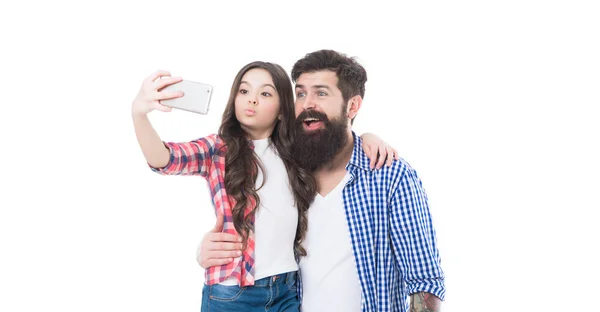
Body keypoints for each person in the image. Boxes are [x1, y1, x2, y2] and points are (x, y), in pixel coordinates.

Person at [131, 61, 397, 312]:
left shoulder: (297, 151)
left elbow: (334, 138)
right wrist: (139, 113)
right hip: (233, 293)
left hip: (287, 291)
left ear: (283, 110)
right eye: (244, 90)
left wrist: (369, 137)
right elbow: (164, 159)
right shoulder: (218, 149)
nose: (252, 99)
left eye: (266, 93)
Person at [198, 50, 445, 312]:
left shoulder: (389, 176)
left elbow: (424, 282)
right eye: (301, 93)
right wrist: (209, 251)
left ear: (353, 106)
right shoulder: (288, 169)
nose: (307, 104)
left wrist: (369, 137)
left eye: (321, 93)